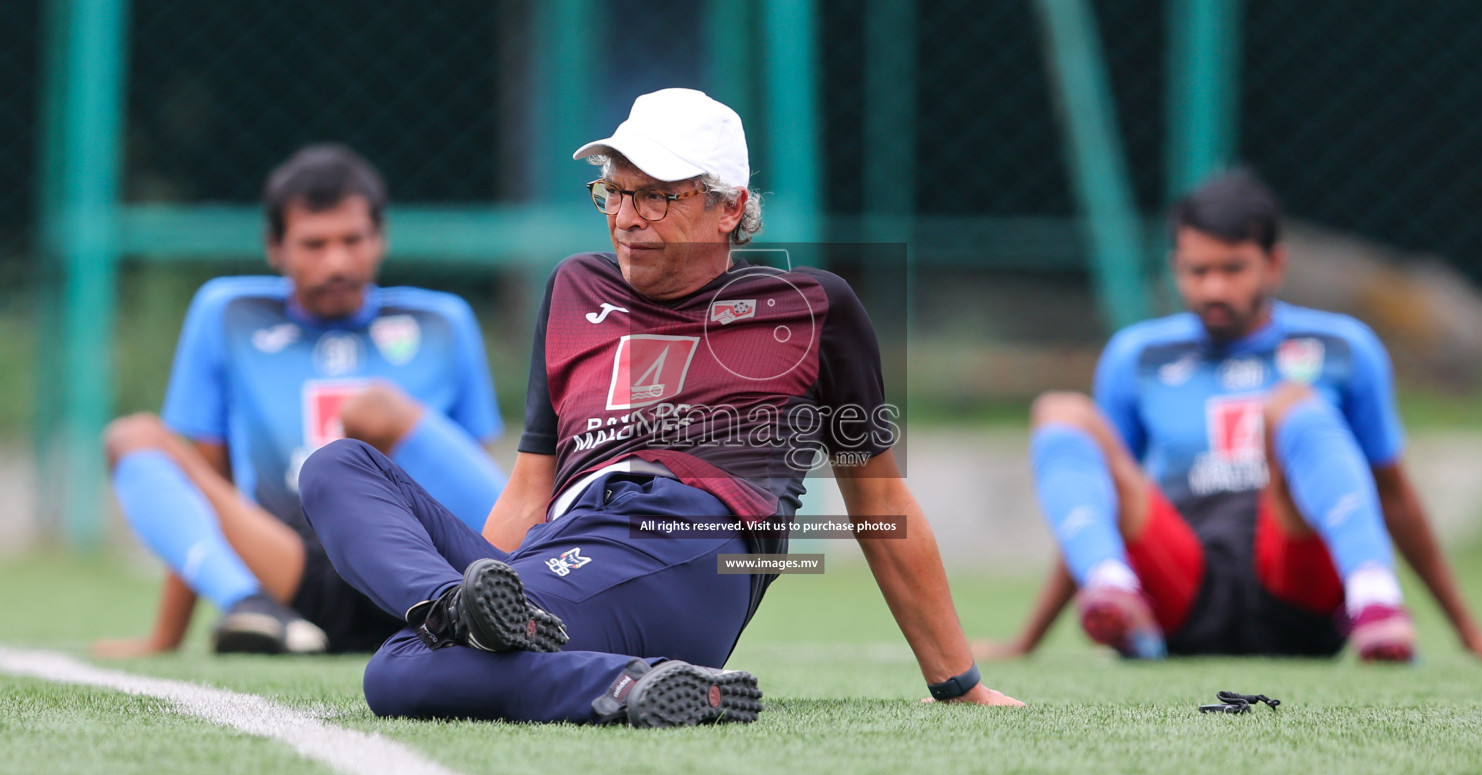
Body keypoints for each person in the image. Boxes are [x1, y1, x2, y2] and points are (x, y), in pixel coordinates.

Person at [298, 88, 1023, 727]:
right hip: (570, 544)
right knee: (337, 470)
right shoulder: (574, 287)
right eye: (614, 192)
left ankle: (601, 671)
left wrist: (957, 684)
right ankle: (519, 637)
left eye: (657, 196)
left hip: (688, 545)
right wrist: (499, 586)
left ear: (729, 208)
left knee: (396, 672)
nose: (626, 217)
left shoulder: (811, 308)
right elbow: (529, 486)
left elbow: (878, 498)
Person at [982, 168, 1482, 664]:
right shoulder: (1138, 356)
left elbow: (1392, 492)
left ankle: (1375, 601)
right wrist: (1026, 642)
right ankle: (1113, 591)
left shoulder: (1343, 347)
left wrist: (1469, 632)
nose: (1213, 287)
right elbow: (1096, 497)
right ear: (1175, 267)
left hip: (1299, 591)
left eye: (1232, 269)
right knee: (1061, 411)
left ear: (1275, 264)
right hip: (1185, 596)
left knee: (1292, 404)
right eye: (1197, 271)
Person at [95, 144, 508, 657]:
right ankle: (249, 607)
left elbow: (472, 477)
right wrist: (167, 635)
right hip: (296, 575)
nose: (336, 261)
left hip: (423, 572)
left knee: (373, 410)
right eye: (314, 244)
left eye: (352, 240)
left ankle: (520, 599)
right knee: (133, 436)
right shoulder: (228, 313)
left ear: (379, 239)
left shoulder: (443, 322)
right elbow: (207, 483)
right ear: (276, 247)